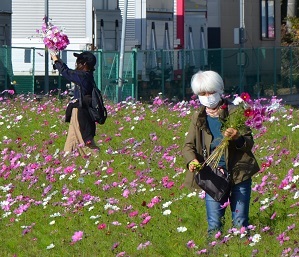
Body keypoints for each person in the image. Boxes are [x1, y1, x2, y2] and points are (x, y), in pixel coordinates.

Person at [182, 70, 260, 238]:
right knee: (214, 226)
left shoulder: (234, 112)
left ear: (220, 91)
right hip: (213, 177)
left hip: (239, 174)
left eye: (211, 92)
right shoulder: (199, 116)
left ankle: (242, 249)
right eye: (202, 93)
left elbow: (248, 143)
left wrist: (238, 137)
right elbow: (188, 146)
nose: (207, 96)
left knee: (240, 223)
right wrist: (192, 161)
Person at [51, 51, 99, 156]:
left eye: (79, 61)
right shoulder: (85, 75)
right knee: (71, 141)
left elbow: (67, 73)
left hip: (81, 112)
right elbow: (68, 71)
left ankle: (98, 160)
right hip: (77, 111)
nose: (77, 63)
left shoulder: (84, 76)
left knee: (85, 140)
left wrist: (56, 60)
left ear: (85, 64)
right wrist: (58, 60)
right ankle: (67, 160)